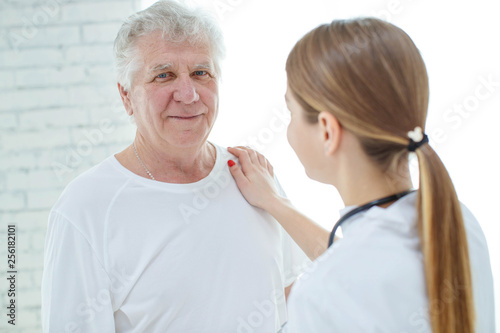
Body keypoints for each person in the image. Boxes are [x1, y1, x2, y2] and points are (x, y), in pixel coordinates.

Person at [41, 1, 309, 332]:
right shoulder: (85, 207)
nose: (188, 94)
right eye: (163, 75)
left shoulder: (253, 176)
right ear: (126, 97)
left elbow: (285, 297)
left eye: (201, 73)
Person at [227, 18, 496, 332]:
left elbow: (349, 275)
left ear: (327, 131)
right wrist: (274, 203)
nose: (289, 127)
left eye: (292, 113)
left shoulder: (320, 296)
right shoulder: (456, 220)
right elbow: (361, 267)